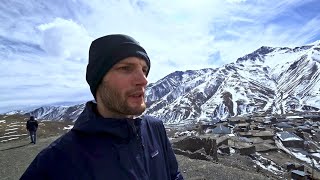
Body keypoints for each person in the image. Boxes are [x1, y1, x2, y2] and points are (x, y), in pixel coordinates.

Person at [20, 34, 184, 180]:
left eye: (144, 70)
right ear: (98, 80)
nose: (144, 80)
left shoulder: (155, 128)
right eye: (126, 68)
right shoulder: (56, 160)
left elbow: (173, 175)